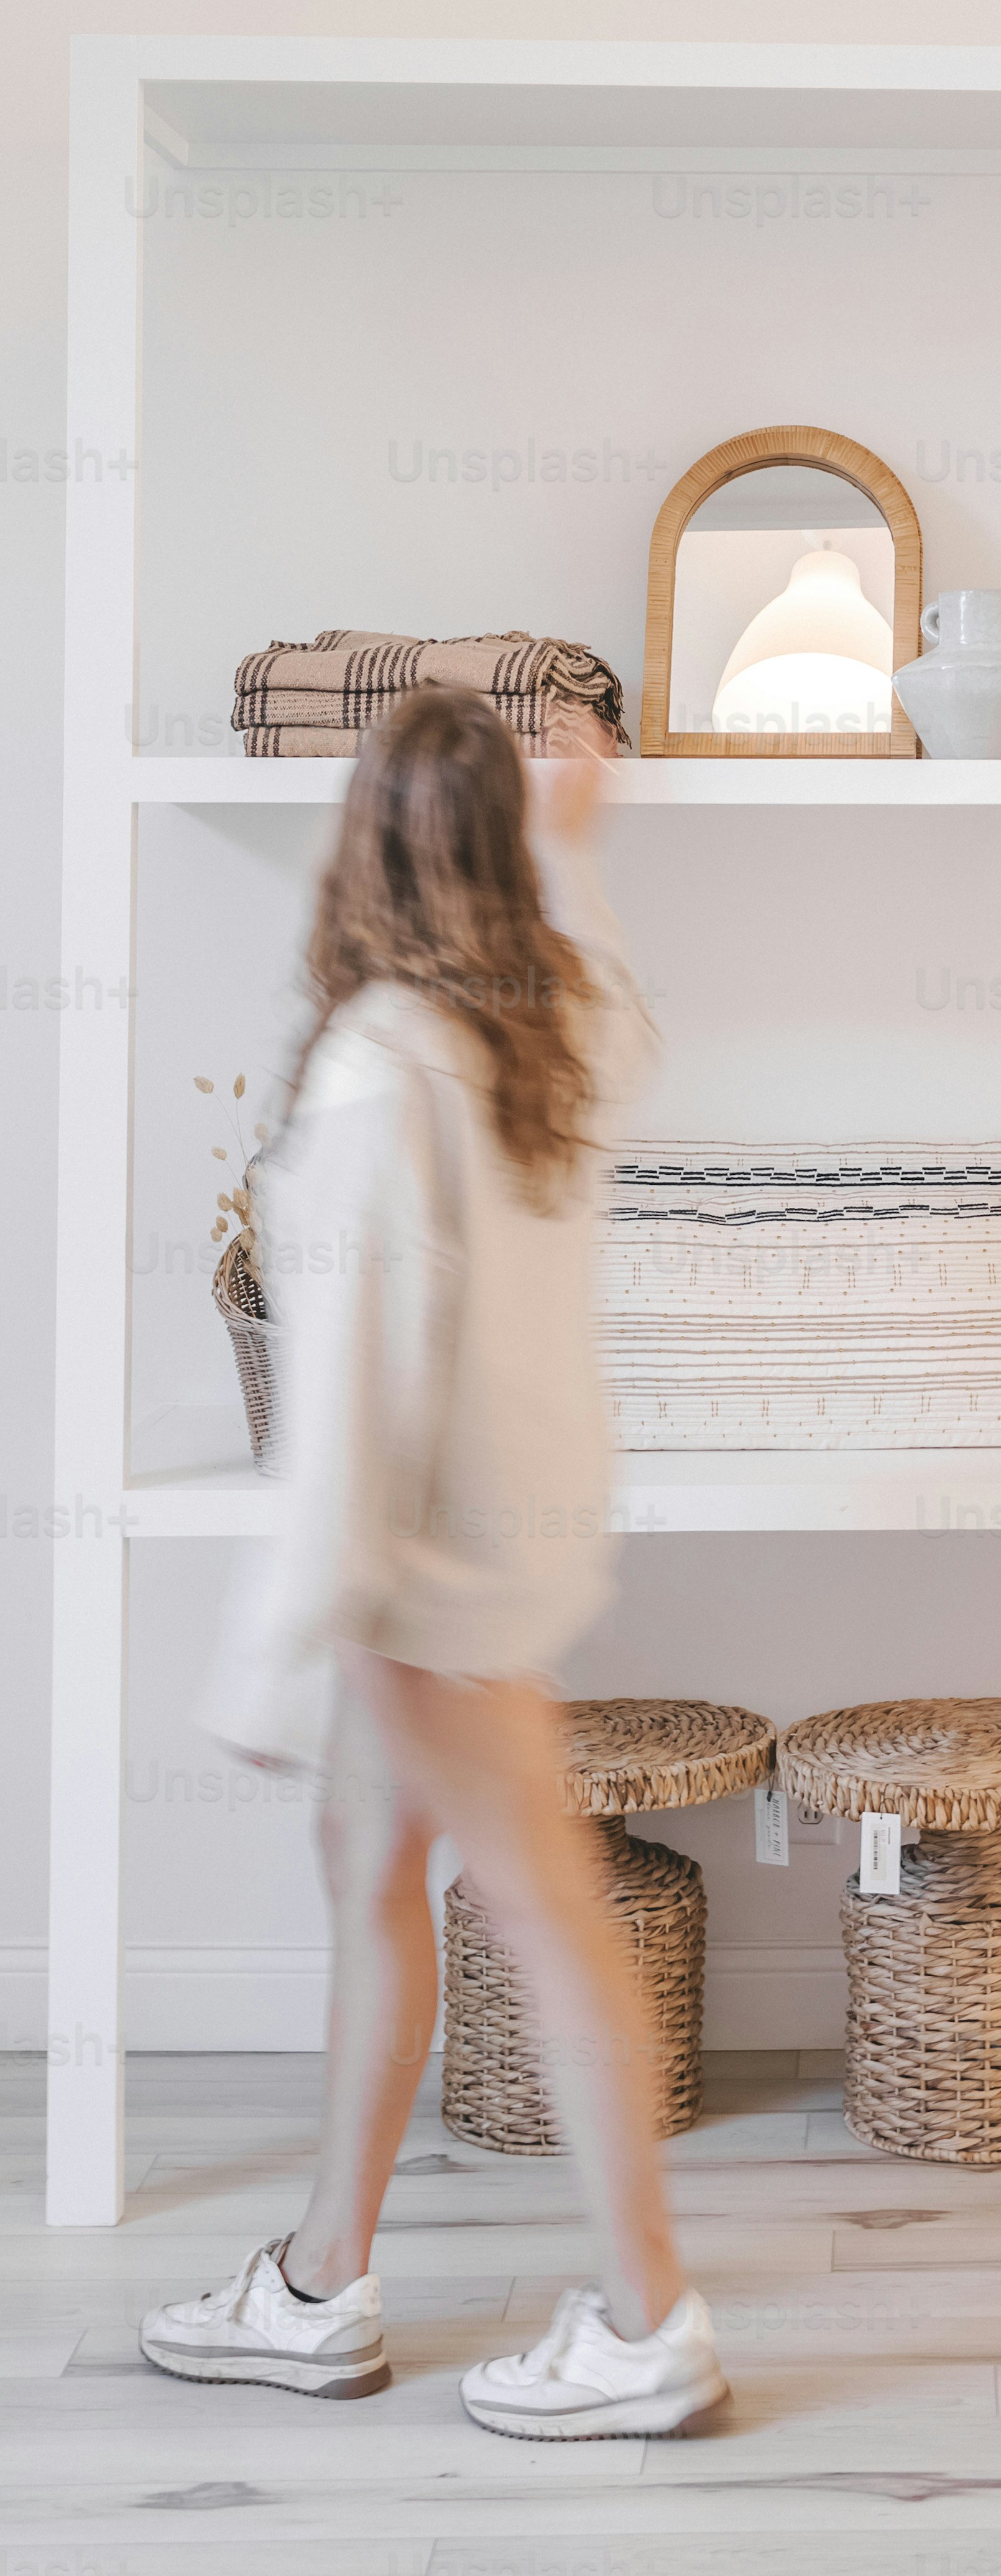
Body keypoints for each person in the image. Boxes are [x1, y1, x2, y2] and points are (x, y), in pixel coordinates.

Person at [139, 686, 728, 2439]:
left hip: (428, 1568)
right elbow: (616, 998)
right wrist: (572, 845)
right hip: (506, 1543)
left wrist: (270, 1652)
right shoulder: (542, 1025)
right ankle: (323, 2276)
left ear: (363, 845)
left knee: (548, 1917)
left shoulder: (385, 1059)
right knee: (367, 1849)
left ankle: (647, 2318)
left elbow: (351, 1404)